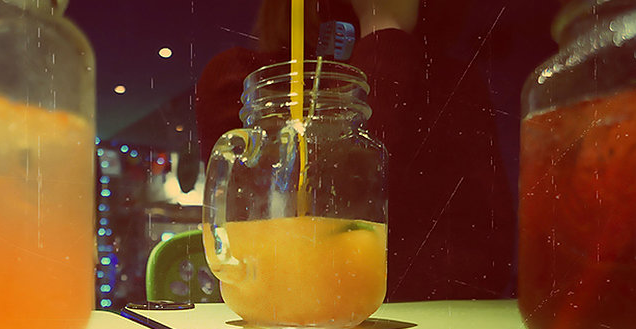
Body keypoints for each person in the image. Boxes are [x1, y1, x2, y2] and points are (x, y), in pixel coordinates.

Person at [196, 0, 515, 302]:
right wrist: (385, 32)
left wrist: (385, 29)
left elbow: (490, 260)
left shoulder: (456, 82)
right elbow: (332, 197)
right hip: (277, 317)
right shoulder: (245, 80)